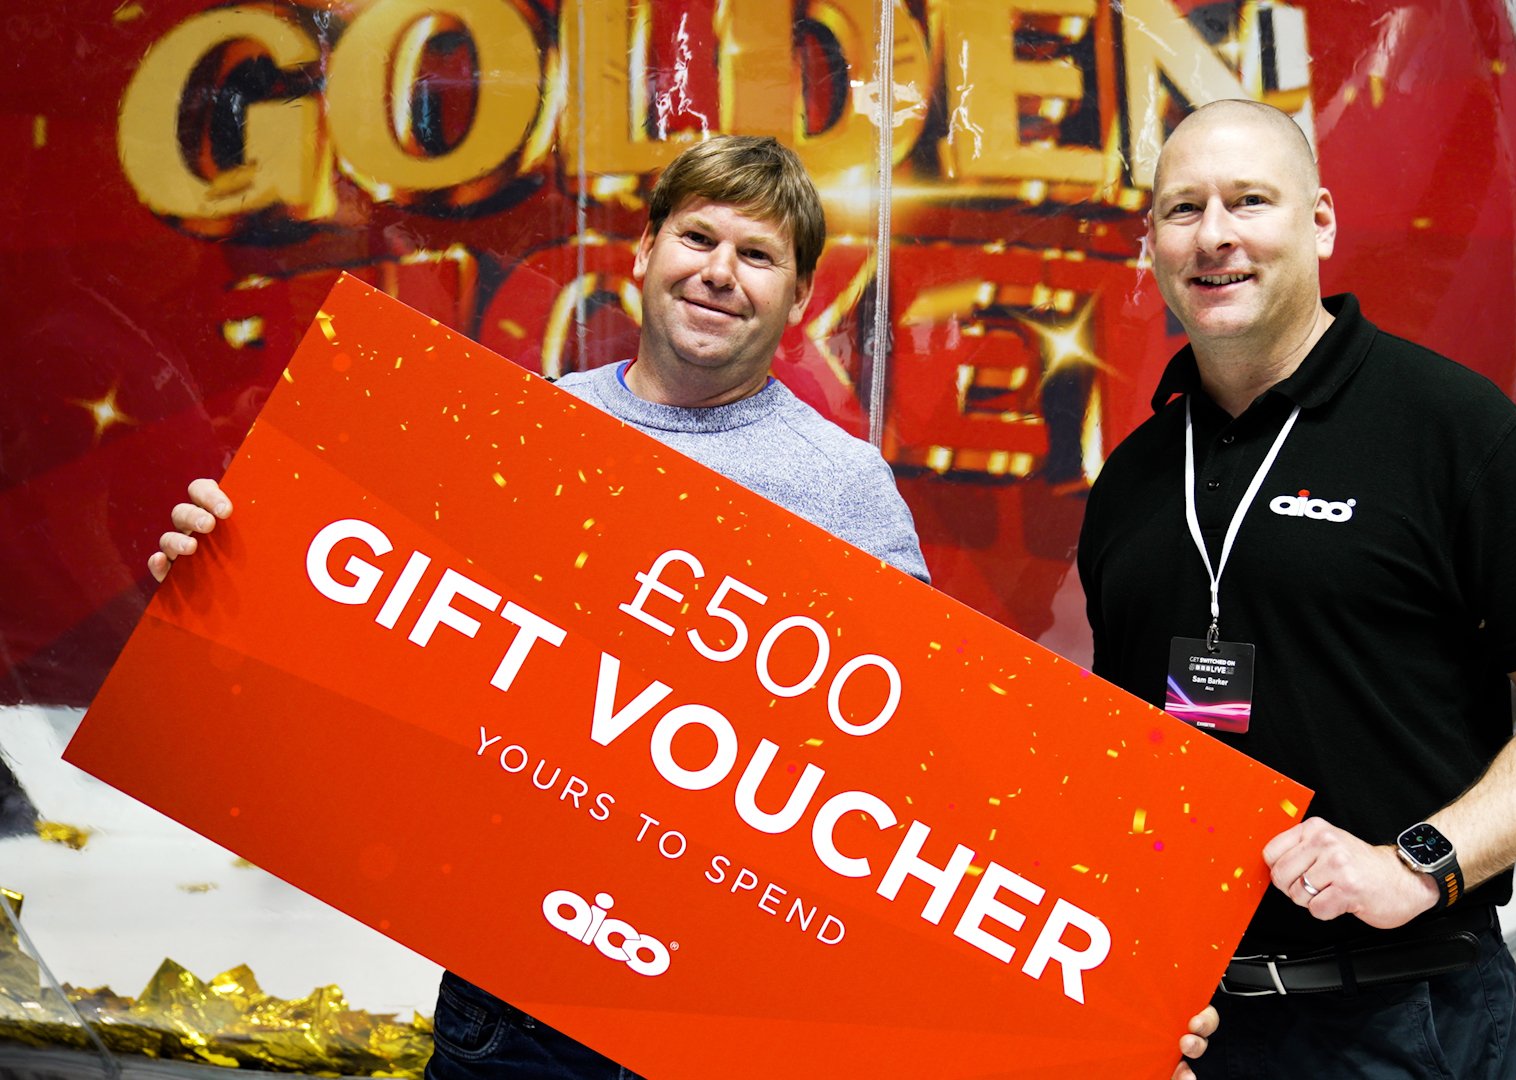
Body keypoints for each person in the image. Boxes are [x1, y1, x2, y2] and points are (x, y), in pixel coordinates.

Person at [149, 136, 937, 1080]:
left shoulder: (845, 491)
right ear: (644, 253)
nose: (720, 274)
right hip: (512, 1005)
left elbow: (911, 760)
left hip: (727, 1013)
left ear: (800, 299)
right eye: (698, 238)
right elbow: (402, 647)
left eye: (758, 256)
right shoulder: (526, 432)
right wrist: (231, 575)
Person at [1078, 99, 1516, 1079]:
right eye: (1183, 210)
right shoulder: (1131, 477)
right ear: (1151, 244)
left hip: (1403, 1017)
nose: (1216, 235)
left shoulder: (1450, 428)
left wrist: (1422, 860)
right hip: (1190, 1022)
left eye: (1250, 201)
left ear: (1321, 222)